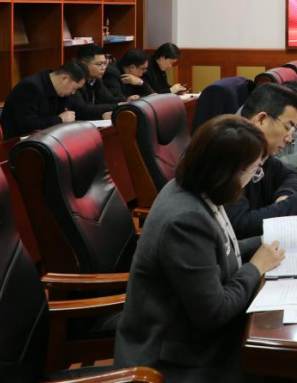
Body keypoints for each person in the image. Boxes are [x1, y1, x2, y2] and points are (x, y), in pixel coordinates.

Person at [114, 116, 286, 382]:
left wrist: (268, 241)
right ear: (226, 173)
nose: (254, 177)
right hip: (177, 355)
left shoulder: (195, 188)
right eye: (254, 170)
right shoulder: (185, 220)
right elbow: (214, 312)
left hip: (194, 334)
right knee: (281, 360)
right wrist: (256, 267)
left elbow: (219, 253)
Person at [227, 84, 297, 238]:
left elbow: (290, 174)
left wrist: (284, 197)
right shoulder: (229, 153)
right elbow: (239, 227)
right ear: (261, 119)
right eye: (287, 127)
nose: (289, 138)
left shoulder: (260, 152)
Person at [0, 62, 86, 139]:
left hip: (44, 140)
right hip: (17, 143)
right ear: (64, 79)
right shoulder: (30, 87)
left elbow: (78, 109)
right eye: (74, 88)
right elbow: (27, 125)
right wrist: (60, 119)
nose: (73, 93)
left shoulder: (62, 92)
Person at [68, 44, 132, 121]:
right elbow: (82, 109)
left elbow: (108, 99)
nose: (103, 68)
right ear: (83, 64)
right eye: (99, 64)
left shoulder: (97, 79)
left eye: (105, 63)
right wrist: (116, 105)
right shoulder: (74, 81)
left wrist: (126, 100)